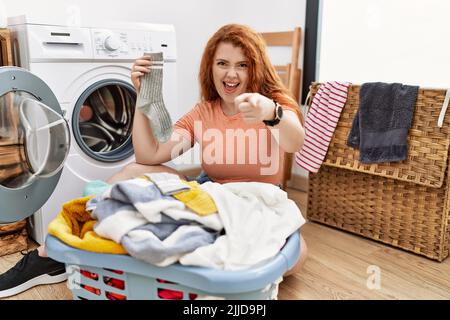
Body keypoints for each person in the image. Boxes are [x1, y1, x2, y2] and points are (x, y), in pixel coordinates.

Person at [0, 23, 307, 298]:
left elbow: (294, 141)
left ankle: (170, 263)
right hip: (211, 196)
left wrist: (272, 114)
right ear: (210, 68)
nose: (231, 74)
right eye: (222, 63)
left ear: (255, 69)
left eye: (242, 65)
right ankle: (53, 254)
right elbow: (151, 155)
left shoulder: (273, 105)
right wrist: (140, 98)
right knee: (132, 170)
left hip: (257, 203)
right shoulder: (203, 112)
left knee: (297, 254)